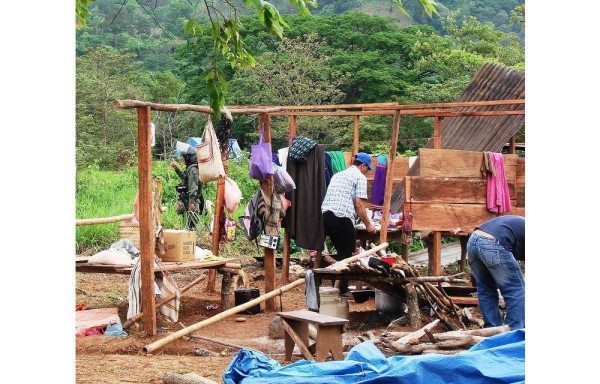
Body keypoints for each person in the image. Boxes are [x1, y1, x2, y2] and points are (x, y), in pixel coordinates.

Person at [321, 152, 377, 294]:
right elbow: (359, 205)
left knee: (338, 254)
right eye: (367, 168)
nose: (367, 171)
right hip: (342, 218)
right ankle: (341, 291)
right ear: (363, 166)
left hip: (325, 216)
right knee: (346, 256)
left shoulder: (338, 175)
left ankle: (335, 286)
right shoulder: (360, 177)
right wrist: (369, 225)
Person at [467, 214, 525, 330]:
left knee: (486, 289)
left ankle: (492, 330)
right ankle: (514, 331)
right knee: (516, 289)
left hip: (473, 239)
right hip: (493, 242)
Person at [170, 145, 204, 230]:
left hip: (192, 201)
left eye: (184, 157)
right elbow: (185, 179)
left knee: (191, 225)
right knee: (188, 223)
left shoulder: (193, 170)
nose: (182, 159)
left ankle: (191, 241)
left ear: (188, 158)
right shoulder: (190, 168)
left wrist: (191, 203)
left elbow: (193, 187)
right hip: (189, 199)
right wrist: (177, 169)